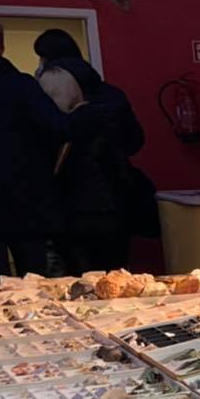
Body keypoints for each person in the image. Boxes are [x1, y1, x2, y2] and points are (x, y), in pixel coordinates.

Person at [0, 13, 66, 278]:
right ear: (0, 47)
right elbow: (57, 128)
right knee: (34, 282)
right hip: (25, 198)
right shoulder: (20, 85)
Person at [38, 65, 135, 274]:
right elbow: (122, 169)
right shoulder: (106, 119)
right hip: (112, 212)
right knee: (116, 278)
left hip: (72, 216)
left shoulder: (57, 130)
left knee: (81, 280)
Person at [33, 31, 145, 158]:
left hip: (71, 168)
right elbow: (135, 140)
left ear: (46, 60)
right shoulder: (112, 93)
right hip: (114, 167)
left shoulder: (47, 94)